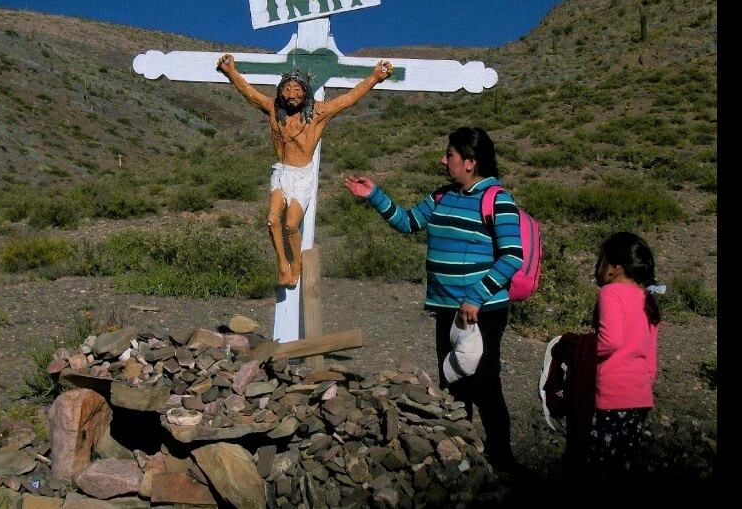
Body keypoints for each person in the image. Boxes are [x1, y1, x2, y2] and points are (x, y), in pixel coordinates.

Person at [343, 126, 523, 471]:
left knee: (484, 383)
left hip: (480, 311)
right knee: (452, 382)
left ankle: (502, 461)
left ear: (470, 162)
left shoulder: (497, 199)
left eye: (450, 155)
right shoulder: (443, 196)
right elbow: (409, 222)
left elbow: (513, 255)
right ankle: (462, 457)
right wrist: (375, 195)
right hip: (447, 309)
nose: (444, 160)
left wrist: (476, 297)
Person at [217, 53, 392, 288]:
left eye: (296, 89)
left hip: (301, 176)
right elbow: (249, 93)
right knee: (271, 220)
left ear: (305, 91)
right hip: (281, 172)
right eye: (286, 89)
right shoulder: (273, 109)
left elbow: (349, 98)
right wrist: (231, 72)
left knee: (291, 225)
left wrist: (374, 78)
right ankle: (282, 265)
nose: (291, 95)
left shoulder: (318, 113)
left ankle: (296, 264)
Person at [586, 231, 662, 481]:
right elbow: (650, 360)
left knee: (600, 464)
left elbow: (610, 341)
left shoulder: (610, 293)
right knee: (624, 464)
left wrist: (583, 352)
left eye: (603, 259)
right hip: (640, 396)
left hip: (612, 395)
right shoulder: (646, 297)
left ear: (616, 266)